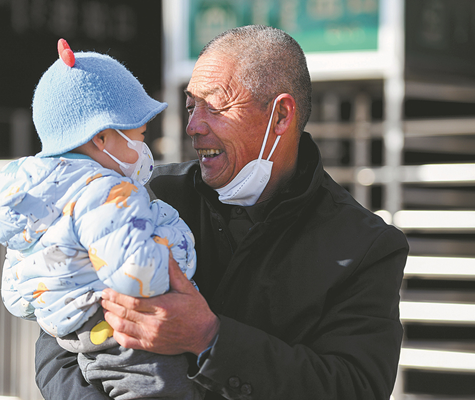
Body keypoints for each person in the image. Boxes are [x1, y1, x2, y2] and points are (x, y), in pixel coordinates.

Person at [34, 26, 409, 400]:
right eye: (191, 106)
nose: (193, 127)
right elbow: (58, 346)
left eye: (214, 106)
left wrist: (210, 339)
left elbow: (355, 387)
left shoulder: (365, 246)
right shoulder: (143, 197)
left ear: (280, 115)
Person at [0, 39, 205, 400]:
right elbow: (139, 273)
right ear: (102, 138)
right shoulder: (106, 192)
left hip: (78, 338)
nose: (145, 147)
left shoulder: (38, 198)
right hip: (132, 339)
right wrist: (174, 259)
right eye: (139, 135)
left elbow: (18, 297)